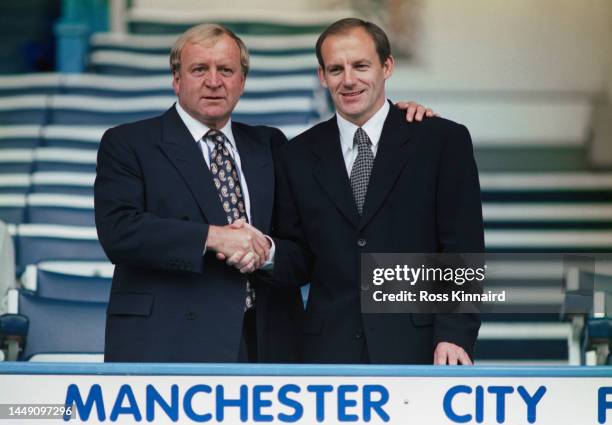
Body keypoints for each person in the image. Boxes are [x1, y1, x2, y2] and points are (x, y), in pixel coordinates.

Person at [94, 23, 433, 363]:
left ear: (241, 81)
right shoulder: (128, 144)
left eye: (226, 70)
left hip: (266, 342)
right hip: (169, 342)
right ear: (176, 79)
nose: (214, 81)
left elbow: (305, 246)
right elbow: (119, 232)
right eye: (199, 69)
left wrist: (389, 122)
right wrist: (214, 238)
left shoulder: (272, 146)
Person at [266, 18, 484, 365]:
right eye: (336, 69)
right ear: (322, 77)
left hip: (421, 348)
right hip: (327, 354)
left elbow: (462, 249)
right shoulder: (296, 155)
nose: (348, 79)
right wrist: (264, 252)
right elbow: (300, 258)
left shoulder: (442, 141)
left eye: (361, 66)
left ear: (387, 66)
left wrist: (454, 334)